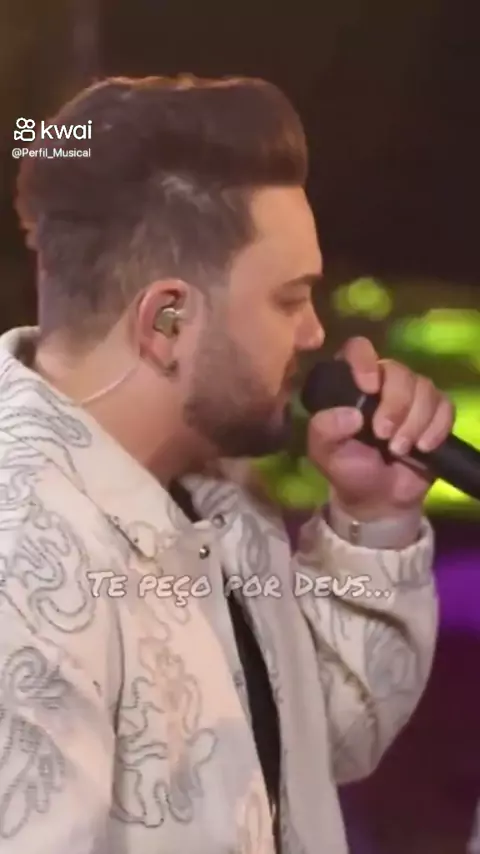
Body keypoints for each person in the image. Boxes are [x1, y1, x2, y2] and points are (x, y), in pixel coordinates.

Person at [0, 75, 453, 854]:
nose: (315, 334)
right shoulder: (23, 555)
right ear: (167, 320)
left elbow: (312, 752)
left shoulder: (217, 495)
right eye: (290, 299)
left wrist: (374, 519)